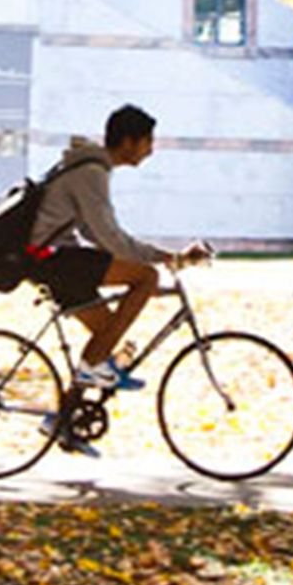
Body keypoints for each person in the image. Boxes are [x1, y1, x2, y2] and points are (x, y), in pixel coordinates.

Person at [23, 104, 205, 452]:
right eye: (147, 141)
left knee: (104, 340)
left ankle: (61, 422)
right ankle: (93, 368)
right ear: (128, 141)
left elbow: (96, 234)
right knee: (146, 278)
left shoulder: (92, 168)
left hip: (51, 259)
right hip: (52, 259)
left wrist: (164, 254)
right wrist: (167, 257)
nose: (150, 150)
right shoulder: (91, 172)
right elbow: (111, 239)